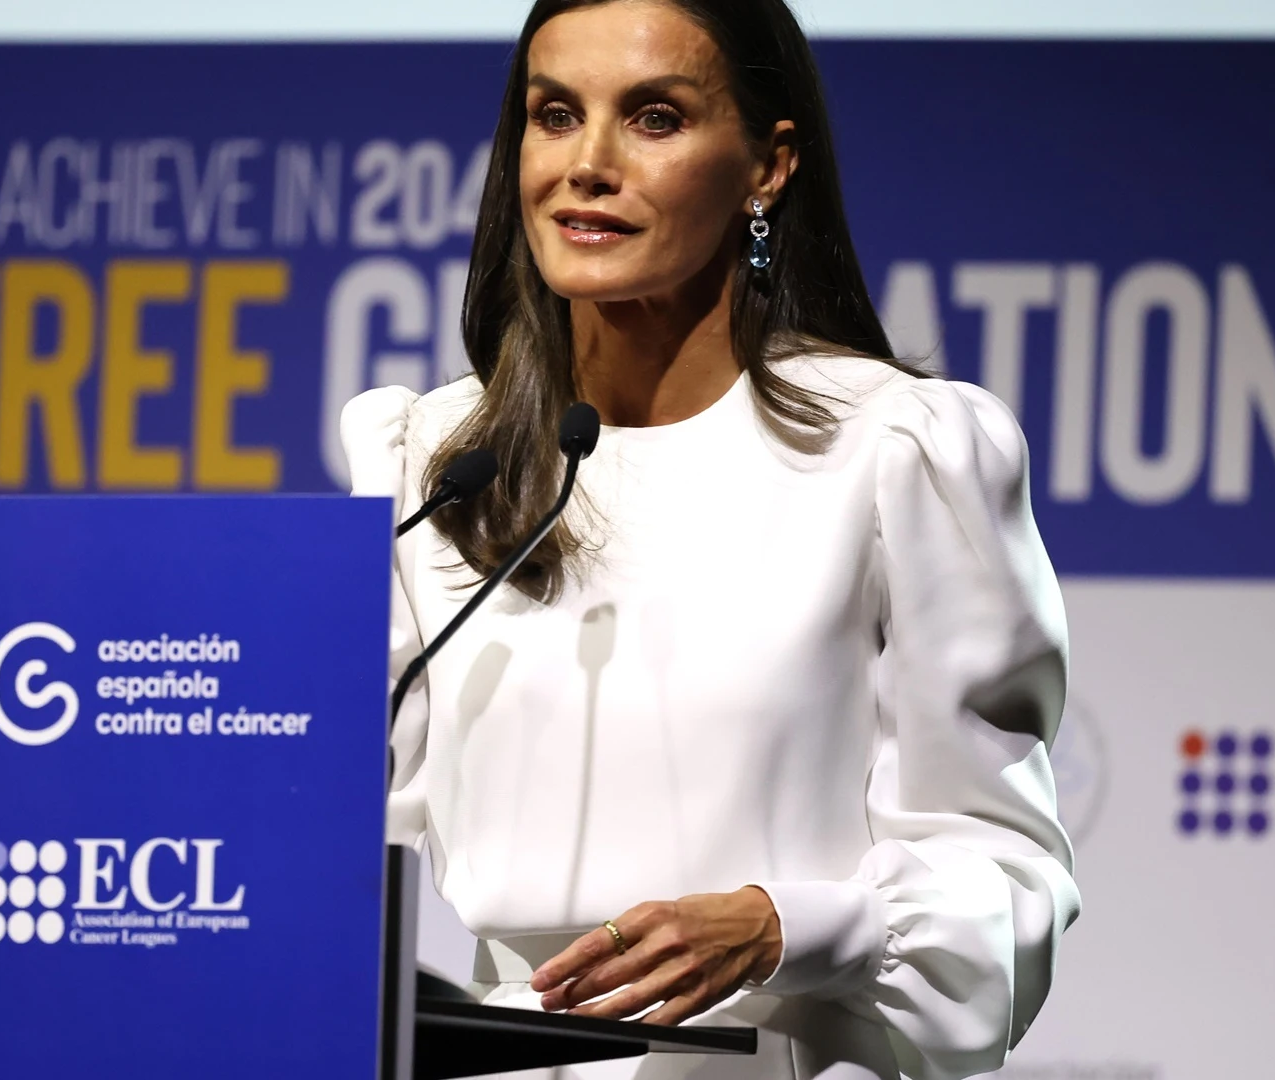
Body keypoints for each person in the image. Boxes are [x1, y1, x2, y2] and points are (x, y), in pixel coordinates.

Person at [341, 1, 1079, 1076]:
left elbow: (1005, 885)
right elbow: (344, 847)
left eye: (652, 118)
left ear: (767, 167)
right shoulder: (439, 465)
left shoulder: (894, 453)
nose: (586, 164)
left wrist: (780, 926)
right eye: (554, 115)